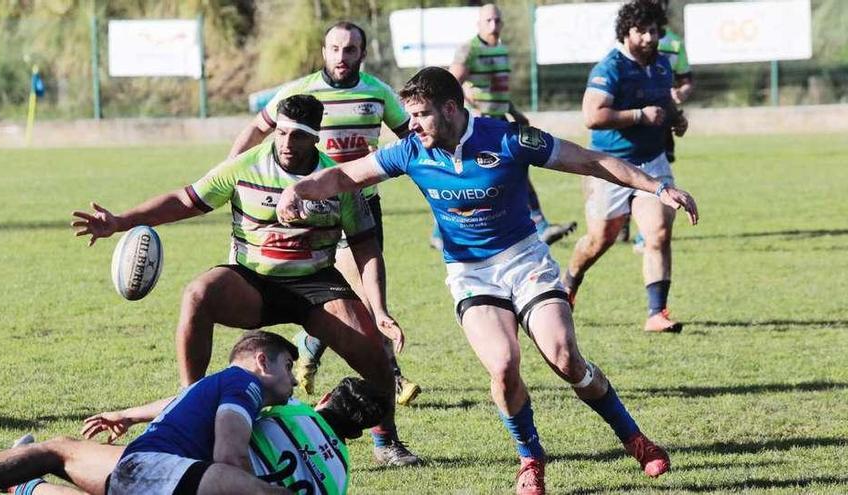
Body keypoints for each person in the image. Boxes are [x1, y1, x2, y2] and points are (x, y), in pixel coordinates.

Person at [275, 67, 699, 494]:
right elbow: (345, 175)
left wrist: (658, 188)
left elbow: (590, 160)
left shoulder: (508, 138)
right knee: (502, 366)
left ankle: (635, 439)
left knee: (565, 357)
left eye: (421, 114)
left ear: (450, 108)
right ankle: (530, 459)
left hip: (524, 261)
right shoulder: (410, 151)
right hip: (471, 273)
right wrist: (300, 189)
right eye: (411, 115)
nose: (413, 124)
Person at [71, 94, 419, 466]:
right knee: (198, 294)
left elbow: (366, 248)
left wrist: (378, 308)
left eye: (298, 136)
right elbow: (185, 200)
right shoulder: (244, 166)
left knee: (376, 359)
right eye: (281, 132)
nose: (286, 143)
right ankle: (191, 401)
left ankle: (387, 443)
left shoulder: (336, 180)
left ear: (315, 137)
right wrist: (121, 222)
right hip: (253, 280)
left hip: (316, 282)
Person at [230, 21, 421, 406]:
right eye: (334, 49)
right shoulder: (299, 92)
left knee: (353, 296)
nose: (341, 57)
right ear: (323, 51)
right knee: (353, 298)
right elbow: (258, 128)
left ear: (362, 55)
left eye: (350, 50)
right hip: (308, 210)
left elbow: (412, 140)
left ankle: (308, 352)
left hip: (362, 204)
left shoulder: (378, 92)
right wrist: (232, 172)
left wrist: (395, 163)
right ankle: (392, 379)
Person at [0, 367, 388, 494]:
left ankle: (3, 478)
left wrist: (131, 415)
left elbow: (198, 404)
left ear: (326, 397)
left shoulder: (291, 408)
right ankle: (20, 489)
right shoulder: (343, 476)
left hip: (197, 482)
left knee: (62, 450)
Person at [564, 0, 690, 333]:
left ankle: (656, 313)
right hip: (611, 167)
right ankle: (570, 282)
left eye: (654, 31)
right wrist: (639, 116)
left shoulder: (662, 64)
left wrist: (676, 119)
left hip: (653, 163)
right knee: (598, 240)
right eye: (642, 31)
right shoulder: (610, 68)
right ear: (627, 32)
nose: (650, 38)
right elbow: (592, 116)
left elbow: (663, 103)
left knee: (658, 234)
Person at [438, 2, 577, 250]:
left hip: (499, 121)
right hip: (478, 125)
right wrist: (472, 107)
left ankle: (539, 224)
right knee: (483, 175)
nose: (494, 25)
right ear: (478, 24)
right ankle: (442, 232)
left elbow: (497, 91)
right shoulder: (469, 50)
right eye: (488, 21)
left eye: (497, 20)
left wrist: (515, 112)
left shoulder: (500, 49)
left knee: (504, 169)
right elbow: (450, 84)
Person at [632, 0, 695, 252]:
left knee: (657, 170)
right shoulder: (631, 41)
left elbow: (686, 79)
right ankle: (629, 222)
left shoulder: (674, 43)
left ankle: (644, 229)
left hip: (663, 118)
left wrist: (681, 94)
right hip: (635, 119)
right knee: (631, 170)